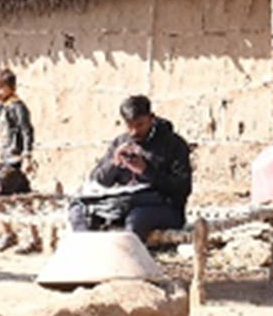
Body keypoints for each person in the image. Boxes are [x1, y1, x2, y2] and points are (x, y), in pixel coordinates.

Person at [68, 94, 192, 236]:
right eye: (129, 126)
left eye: (139, 125)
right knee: (78, 210)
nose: (134, 132)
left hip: (162, 207)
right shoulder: (121, 142)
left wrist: (146, 170)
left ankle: (129, 256)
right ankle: (89, 254)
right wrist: (113, 164)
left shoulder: (173, 144)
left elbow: (182, 188)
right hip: (124, 203)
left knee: (136, 220)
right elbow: (100, 180)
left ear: (151, 118)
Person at [0, 69, 37, 251]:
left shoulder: (17, 107)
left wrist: (27, 155)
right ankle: (35, 238)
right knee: (25, 199)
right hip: (7, 158)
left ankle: (9, 233)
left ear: (9, 88)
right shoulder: (3, 107)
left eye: (0, 88)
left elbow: (27, 131)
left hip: (15, 160)